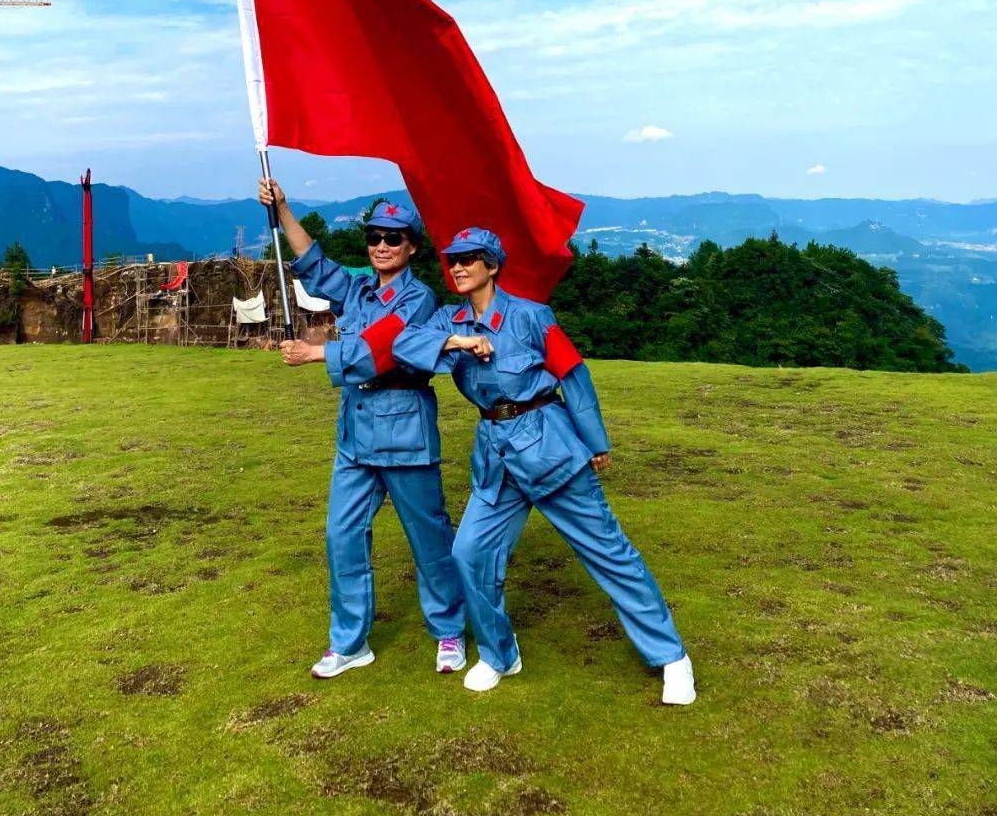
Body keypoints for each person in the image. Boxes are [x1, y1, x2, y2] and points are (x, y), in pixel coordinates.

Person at [384, 226, 696, 701]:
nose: (459, 267)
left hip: (550, 449)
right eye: (453, 260)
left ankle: (671, 657)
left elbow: (572, 372)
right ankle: (498, 655)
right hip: (495, 457)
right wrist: (459, 344)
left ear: (492, 264)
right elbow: (401, 348)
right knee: (469, 553)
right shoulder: (449, 321)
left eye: (469, 258)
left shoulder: (531, 316)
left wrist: (595, 442)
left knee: (608, 552)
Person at [258, 179, 466, 679]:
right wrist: (284, 208)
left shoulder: (416, 299)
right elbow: (314, 264)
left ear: (411, 246)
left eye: (393, 238)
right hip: (355, 436)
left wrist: (316, 352)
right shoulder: (360, 288)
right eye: (374, 236)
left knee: (428, 537)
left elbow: (385, 348)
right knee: (342, 535)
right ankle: (350, 642)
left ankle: (449, 630)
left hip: (406, 436)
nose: (380, 246)